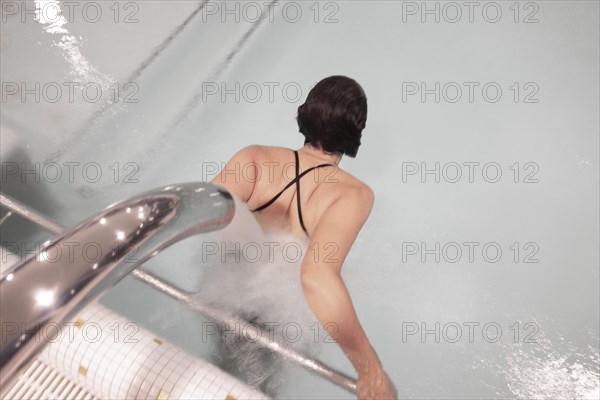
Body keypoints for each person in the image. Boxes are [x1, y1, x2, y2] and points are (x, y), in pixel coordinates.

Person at [210, 75, 397, 400]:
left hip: (225, 298)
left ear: (306, 113)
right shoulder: (354, 195)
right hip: (280, 319)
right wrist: (370, 369)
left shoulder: (254, 158)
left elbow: (205, 211)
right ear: (356, 132)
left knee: (215, 376)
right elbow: (316, 277)